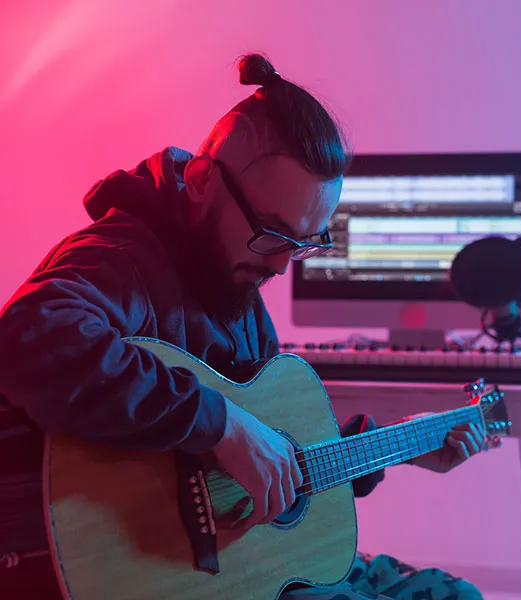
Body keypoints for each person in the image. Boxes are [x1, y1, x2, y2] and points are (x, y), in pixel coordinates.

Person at [0, 53, 489, 600]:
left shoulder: (237, 295)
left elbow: (277, 468)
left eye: (305, 244)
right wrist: (222, 424)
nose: (281, 265)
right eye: (273, 233)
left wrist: (397, 447)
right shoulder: (120, 258)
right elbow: (30, 339)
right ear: (205, 180)